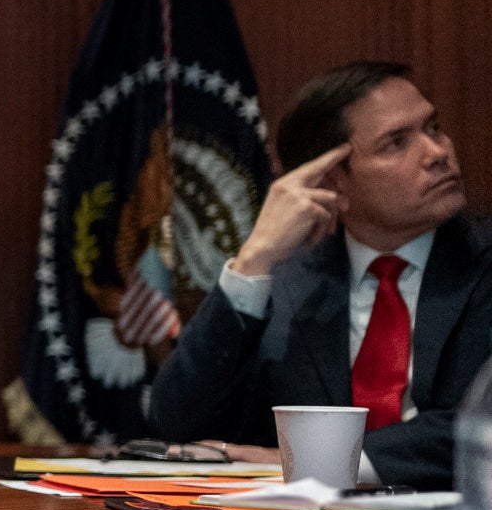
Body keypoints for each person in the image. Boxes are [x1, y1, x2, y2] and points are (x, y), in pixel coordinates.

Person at [149, 61, 490, 488]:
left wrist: (324, 462)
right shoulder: (288, 288)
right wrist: (253, 260)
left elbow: (479, 424)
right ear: (332, 182)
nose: (437, 152)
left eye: (434, 128)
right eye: (396, 143)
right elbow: (177, 421)